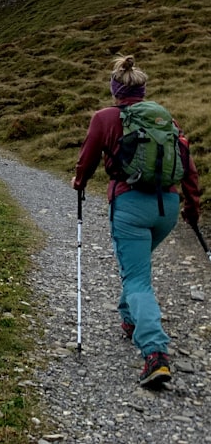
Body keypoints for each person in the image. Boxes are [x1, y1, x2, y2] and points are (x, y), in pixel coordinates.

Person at [72, 54, 201, 388]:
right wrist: (192, 207)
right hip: (168, 208)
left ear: (115, 89)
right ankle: (130, 318)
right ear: (142, 91)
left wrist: (80, 182)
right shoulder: (165, 120)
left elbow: (86, 159)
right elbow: (187, 164)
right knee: (138, 270)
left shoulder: (105, 118)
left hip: (129, 205)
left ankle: (155, 353)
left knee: (137, 278)